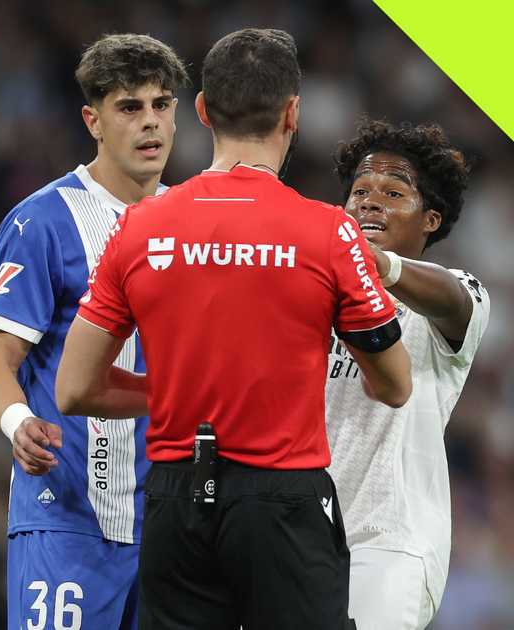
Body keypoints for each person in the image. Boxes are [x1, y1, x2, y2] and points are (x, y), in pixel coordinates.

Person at [55, 28, 414, 629]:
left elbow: (74, 389)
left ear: (199, 110)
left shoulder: (141, 229)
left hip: (174, 500)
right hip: (283, 503)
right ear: (293, 113)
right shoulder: (327, 233)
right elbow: (395, 384)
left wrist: (181, 395)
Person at [0, 33, 188, 630]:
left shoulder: (194, 225)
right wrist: (18, 424)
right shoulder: (42, 221)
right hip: (67, 519)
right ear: (93, 119)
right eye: (130, 107)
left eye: (161, 105)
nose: (150, 124)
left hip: (175, 525)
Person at [326, 119, 490, 629]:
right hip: (300, 530)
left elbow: (452, 299)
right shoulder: (316, 295)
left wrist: (376, 263)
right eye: (360, 191)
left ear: (430, 220)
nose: (370, 202)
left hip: (392, 542)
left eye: (394, 192)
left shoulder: (457, 295)